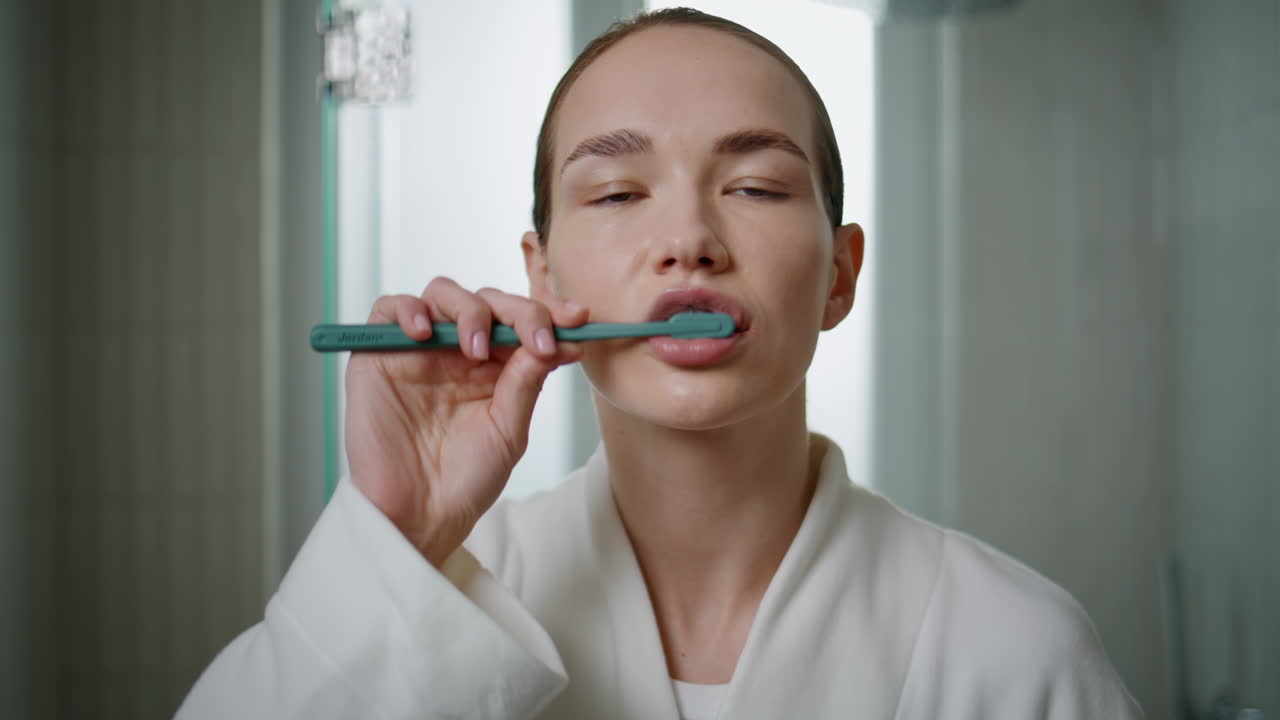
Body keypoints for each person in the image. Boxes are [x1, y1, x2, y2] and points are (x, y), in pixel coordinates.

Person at [177, 8, 1143, 719]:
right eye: (615, 193)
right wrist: (395, 538)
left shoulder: (1020, 654)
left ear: (841, 276)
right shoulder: (446, 584)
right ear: (541, 274)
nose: (688, 237)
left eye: (758, 185)